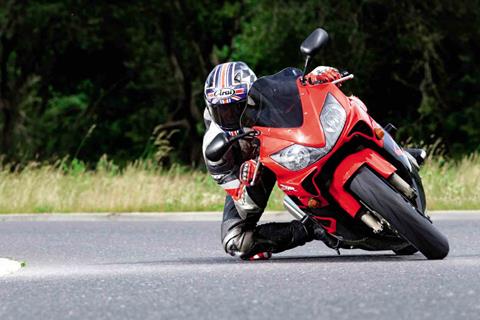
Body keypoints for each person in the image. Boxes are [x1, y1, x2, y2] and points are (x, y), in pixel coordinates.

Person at [202, 61, 344, 260]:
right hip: (250, 175)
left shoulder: (269, 93)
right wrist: (246, 184)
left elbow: (299, 84)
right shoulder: (214, 149)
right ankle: (313, 228)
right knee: (235, 242)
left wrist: (318, 75)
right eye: (223, 111)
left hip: (289, 146)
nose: (232, 116)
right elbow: (245, 206)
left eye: (237, 107)